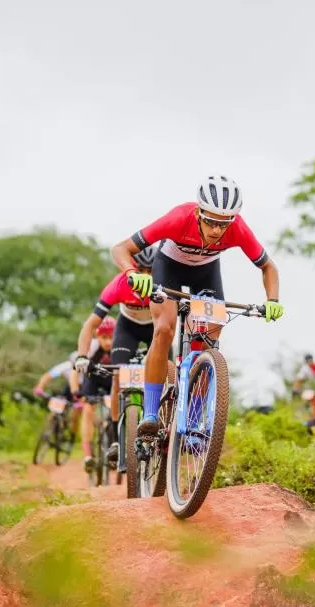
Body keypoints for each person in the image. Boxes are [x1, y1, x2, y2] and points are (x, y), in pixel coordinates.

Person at [110, 175, 284, 437]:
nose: (216, 230)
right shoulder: (178, 218)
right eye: (211, 221)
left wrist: (272, 300)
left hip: (205, 274)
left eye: (224, 224)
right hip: (169, 268)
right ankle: (150, 414)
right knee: (164, 329)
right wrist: (134, 274)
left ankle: (193, 417)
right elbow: (120, 248)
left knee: (210, 336)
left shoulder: (238, 228)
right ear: (198, 211)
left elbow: (268, 267)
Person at [75, 245, 159, 466]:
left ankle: (163, 427)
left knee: (165, 374)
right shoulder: (120, 284)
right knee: (117, 376)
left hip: (155, 328)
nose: (146, 276)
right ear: (131, 268)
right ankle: (115, 439)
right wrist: (82, 356)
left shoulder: (165, 281)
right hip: (128, 328)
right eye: (141, 269)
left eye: (151, 270)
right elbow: (90, 324)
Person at [70, 316, 115, 472]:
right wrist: (75, 389)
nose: (108, 342)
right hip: (93, 380)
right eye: (104, 337)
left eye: (111, 337)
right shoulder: (91, 347)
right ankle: (88, 456)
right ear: (97, 336)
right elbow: (74, 372)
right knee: (88, 410)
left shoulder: (120, 346)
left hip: (112, 380)